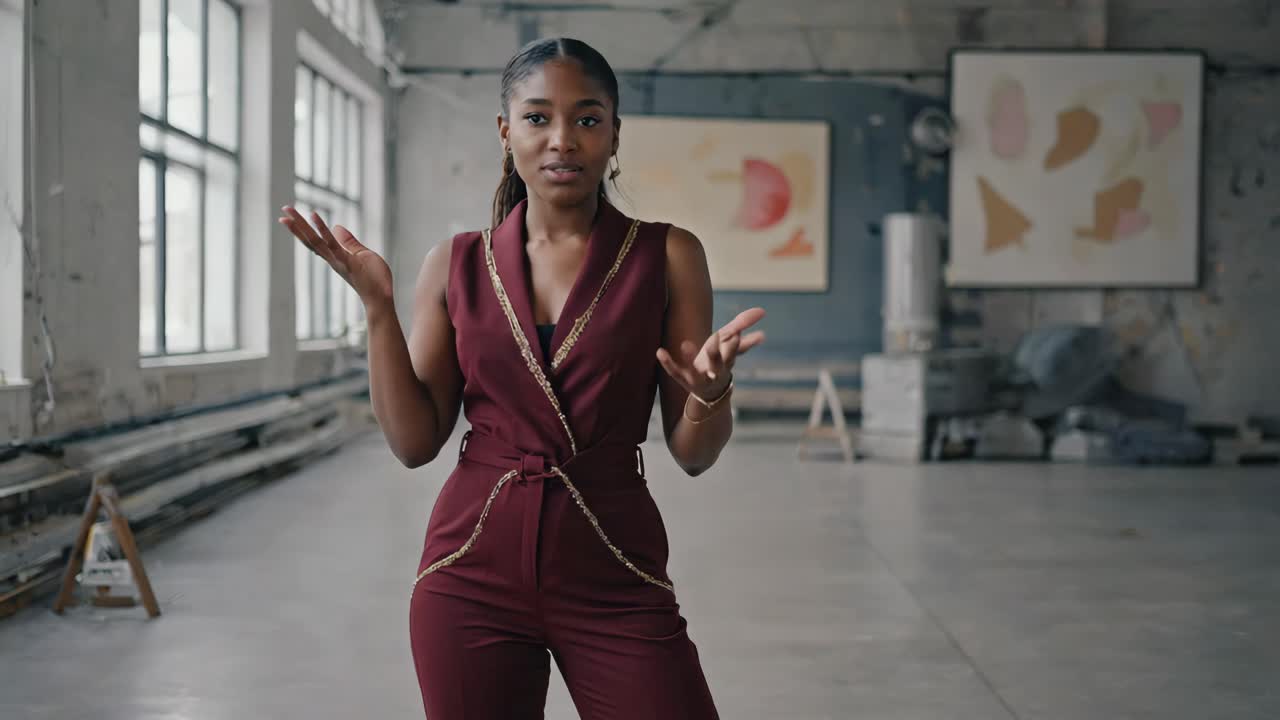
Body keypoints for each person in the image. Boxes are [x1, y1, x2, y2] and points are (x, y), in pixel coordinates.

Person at [280, 36, 765, 720]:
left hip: (613, 565)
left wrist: (710, 397)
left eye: (588, 118)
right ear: (507, 132)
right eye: (538, 118)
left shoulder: (668, 255)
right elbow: (416, 442)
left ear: (615, 134)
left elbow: (692, 455)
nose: (563, 139)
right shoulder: (455, 264)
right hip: (470, 569)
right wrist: (378, 310)